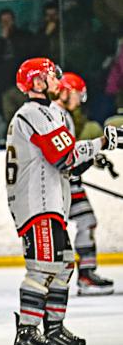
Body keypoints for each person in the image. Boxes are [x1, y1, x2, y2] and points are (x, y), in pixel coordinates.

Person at [5, 58, 121, 345]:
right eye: (52, 77)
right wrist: (103, 142)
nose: (58, 81)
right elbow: (64, 156)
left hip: (51, 202)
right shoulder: (33, 113)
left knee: (65, 264)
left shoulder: (49, 113)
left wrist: (95, 152)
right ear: (37, 83)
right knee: (43, 267)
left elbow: (71, 163)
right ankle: (27, 334)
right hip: (37, 204)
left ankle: (53, 329)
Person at [54, 72, 116, 295]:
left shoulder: (62, 115)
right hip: (62, 183)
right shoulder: (57, 115)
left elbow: (70, 150)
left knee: (85, 222)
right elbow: (63, 155)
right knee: (83, 222)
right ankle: (83, 276)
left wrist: (91, 158)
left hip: (65, 181)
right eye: (77, 95)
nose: (79, 101)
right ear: (65, 92)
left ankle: (83, 275)